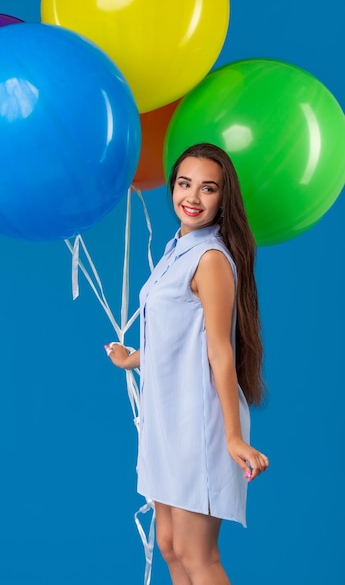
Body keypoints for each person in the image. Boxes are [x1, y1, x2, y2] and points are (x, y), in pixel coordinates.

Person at [106, 142, 269, 585]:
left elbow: (219, 348)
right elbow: (178, 336)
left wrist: (233, 437)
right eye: (184, 184)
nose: (192, 197)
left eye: (208, 188)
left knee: (198, 555)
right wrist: (133, 359)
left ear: (224, 198)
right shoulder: (176, 247)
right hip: (166, 420)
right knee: (171, 547)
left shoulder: (210, 258)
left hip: (199, 423)